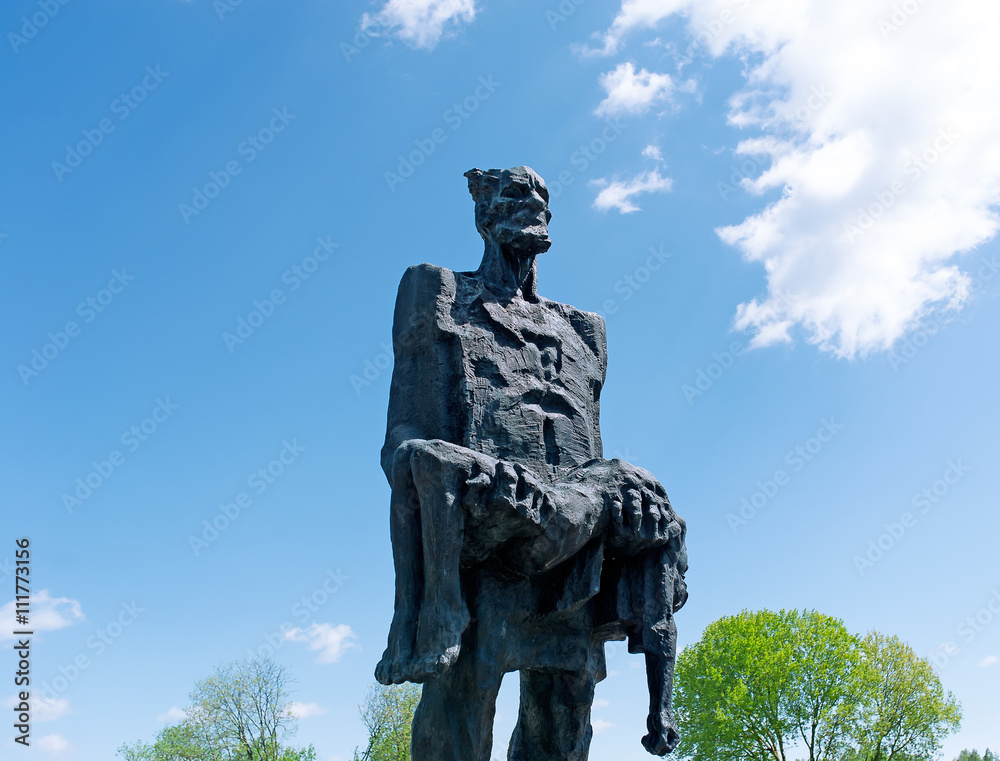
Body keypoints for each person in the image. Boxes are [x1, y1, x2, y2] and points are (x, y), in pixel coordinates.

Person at [375, 166, 687, 761]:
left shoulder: (582, 329)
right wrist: (423, 462)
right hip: (486, 532)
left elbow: (591, 447)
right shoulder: (437, 290)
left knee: (565, 715)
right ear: (484, 216)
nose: (536, 205)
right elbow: (403, 430)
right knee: (463, 705)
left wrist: (622, 505)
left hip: (575, 543)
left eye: (544, 196)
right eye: (518, 194)